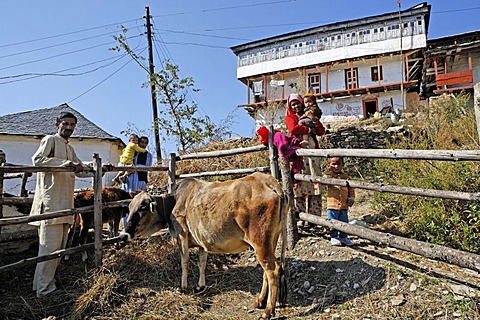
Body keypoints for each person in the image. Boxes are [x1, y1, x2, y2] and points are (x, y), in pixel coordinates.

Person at [29, 111, 91, 297]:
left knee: (59, 248)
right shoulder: (50, 140)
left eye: (72, 125)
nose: (69, 128)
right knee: (49, 249)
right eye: (65, 124)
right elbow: (37, 160)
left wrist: (98, 169)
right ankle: (44, 290)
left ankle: (42, 285)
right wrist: (65, 163)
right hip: (50, 204)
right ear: (57, 124)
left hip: (65, 204)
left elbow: (79, 168)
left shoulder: (68, 148)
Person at [285, 93, 325, 223]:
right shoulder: (290, 117)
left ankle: (315, 220)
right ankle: (300, 218)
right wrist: (308, 130)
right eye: (293, 104)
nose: (296, 106)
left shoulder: (310, 114)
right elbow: (293, 128)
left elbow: (321, 131)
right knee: (299, 183)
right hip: (299, 154)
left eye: (297, 103)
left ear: (302, 103)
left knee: (315, 180)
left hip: (312, 153)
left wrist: (314, 122)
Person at [120, 136, 152, 230]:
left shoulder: (147, 155)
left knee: (139, 203)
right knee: (126, 202)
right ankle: (125, 226)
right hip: (129, 181)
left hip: (140, 180)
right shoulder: (132, 151)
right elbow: (124, 162)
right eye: (141, 142)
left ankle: (137, 227)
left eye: (145, 143)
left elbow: (147, 166)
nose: (143, 144)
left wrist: (134, 167)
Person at [323, 156, 355, 246]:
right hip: (332, 204)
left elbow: (351, 189)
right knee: (333, 220)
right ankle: (334, 236)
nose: (336, 167)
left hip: (344, 204)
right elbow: (323, 182)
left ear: (343, 165)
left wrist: (351, 197)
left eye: (339, 164)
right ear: (329, 165)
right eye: (334, 164)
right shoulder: (328, 176)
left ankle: (344, 236)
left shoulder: (346, 177)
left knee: (344, 220)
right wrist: (327, 175)